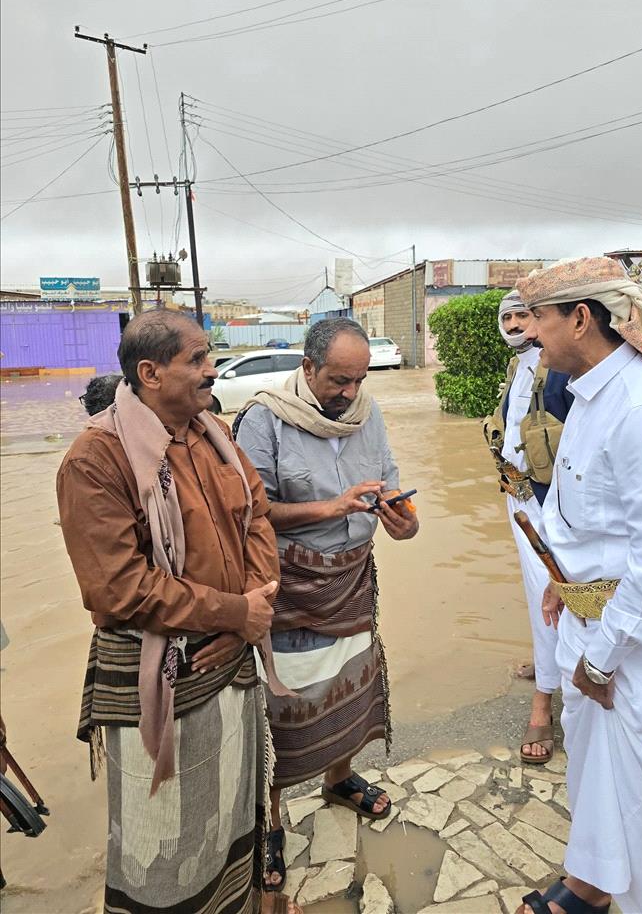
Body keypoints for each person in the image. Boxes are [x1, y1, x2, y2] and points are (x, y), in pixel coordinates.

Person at [56, 310, 300, 914]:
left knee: (235, 804)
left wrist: (249, 612)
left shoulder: (215, 434)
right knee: (163, 837)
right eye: (197, 359)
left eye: (208, 355)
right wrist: (235, 614)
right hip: (163, 678)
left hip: (231, 661)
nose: (212, 369)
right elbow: (119, 590)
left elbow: (257, 519)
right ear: (150, 372)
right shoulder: (96, 460)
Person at [512, 258, 642, 914]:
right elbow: (592, 518)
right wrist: (565, 581)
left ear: (581, 317)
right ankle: (591, 885)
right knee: (600, 782)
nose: (528, 333)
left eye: (538, 318)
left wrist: (602, 658)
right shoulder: (591, 394)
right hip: (599, 627)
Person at [235, 317, 418, 894]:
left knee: (351, 684)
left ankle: (339, 779)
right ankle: (269, 819)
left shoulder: (367, 412)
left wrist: (403, 518)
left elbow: (389, 483)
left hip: (353, 578)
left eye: (359, 380)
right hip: (287, 584)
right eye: (338, 380)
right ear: (308, 367)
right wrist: (332, 508)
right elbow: (250, 513)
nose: (349, 392)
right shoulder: (263, 419)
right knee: (282, 702)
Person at [483, 291, 573, 763]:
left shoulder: (560, 366)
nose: (517, 324)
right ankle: (548, 663)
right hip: (518, 497)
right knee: (540, 591)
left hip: (548, 502)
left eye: (526, 315)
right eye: (510, 317)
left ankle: (544, 703)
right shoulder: (519, 365)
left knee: (553, 593)